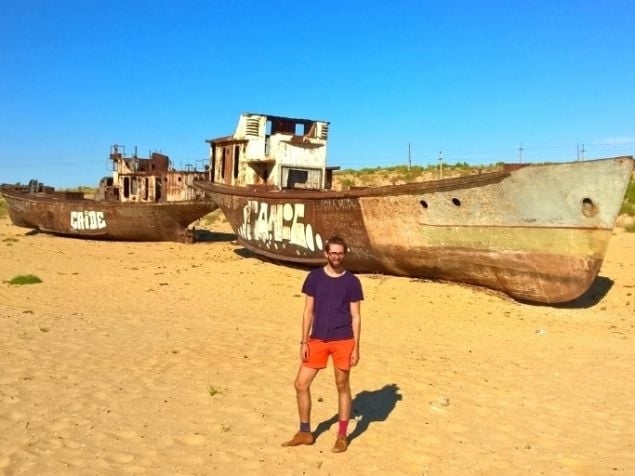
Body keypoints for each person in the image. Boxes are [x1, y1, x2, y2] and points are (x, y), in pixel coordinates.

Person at [281, 235, 363, 453]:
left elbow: (356, 316)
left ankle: (342, 435)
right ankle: (305, 432)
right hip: (317, 339)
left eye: (340, 253)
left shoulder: (352, 282)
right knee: (301, 384)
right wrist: (303, 341)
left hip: (343, 339)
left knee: (342, 386)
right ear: (326, 254)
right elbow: (308, 312)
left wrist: (356, 346)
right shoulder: (314, 278)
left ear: (344, 254)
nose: (337, 257)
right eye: (333, 253)